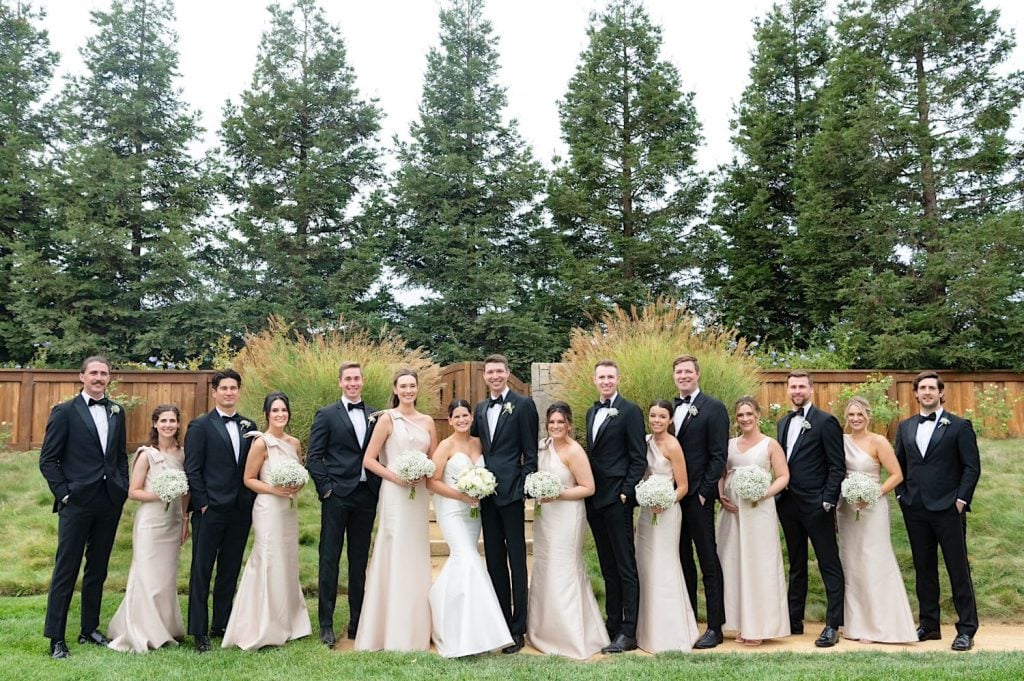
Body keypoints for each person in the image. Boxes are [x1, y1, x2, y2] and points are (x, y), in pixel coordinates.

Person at [39, 355, 129, 659]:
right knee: (66, 569)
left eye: (104, 373)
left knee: (98, 569)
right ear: (82, 377)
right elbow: (48, 460)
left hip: (109, 501)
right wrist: (64, 494)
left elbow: (119, 457)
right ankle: (56, 638)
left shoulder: (118, 411)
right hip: (76, 503)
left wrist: (122, 487)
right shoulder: (65, 412)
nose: (99, 377)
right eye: (93, 373)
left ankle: (89, 628)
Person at [895, 371, 981, 651]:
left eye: (933, 388)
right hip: (915, 508)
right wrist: (901, 496)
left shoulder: (958, 426)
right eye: (923, 388)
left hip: (948, 509)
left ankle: (966, 629)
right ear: (916, 394)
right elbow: (900, 465)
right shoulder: (905, 427)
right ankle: (929, 625)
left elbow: (971, 467)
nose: (928, 392)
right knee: (924, 569)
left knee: (958, 569)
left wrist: (961, 501)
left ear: (941, 393)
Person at [355, 368, 437, 651]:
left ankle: (417, 626)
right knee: (394, 552)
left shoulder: (427, 422)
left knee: (415, 554)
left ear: (417, 389)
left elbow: (434, 459)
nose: (408, 390)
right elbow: (369, 459)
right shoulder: (386, 419)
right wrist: (397, 477)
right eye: (403, 386)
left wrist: (426, 474)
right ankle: (388, 628)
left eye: (412, 385)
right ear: (395, 388)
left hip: (419, 496)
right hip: (394, 494)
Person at [222, 392, 311, 650]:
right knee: (268, 558)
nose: (280, 414)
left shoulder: (294, 443)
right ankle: (262, 623)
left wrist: (296, 486)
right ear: (267, 414)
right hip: (268, 507)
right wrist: (275, 490)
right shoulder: (261, 442)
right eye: (275, 411)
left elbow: (300, 474)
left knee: (287, 560)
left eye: (284, 410)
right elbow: (249, 479)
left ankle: (290, 621)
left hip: (289, 509)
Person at [427, 399, 513, 657]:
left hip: (474, 512)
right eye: (457, 416)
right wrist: (461, 495)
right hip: (453, 509)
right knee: (467, 558)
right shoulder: (446, 445)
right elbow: (431, 482)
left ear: (471, 418)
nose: (462, 420)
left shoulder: (479, 443)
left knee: (462, 564)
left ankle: (443, 608)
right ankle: (471, 633)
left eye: (466, 415)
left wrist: (480, 488)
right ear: (450, 420)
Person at [527, 402, 609, 659]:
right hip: (546, 516)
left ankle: (572, 636)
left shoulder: (574, 451)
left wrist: (557, 493)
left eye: (560, 422)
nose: (555, 427)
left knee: (565, 568)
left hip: (567, 515)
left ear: (569, 425)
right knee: (546, 565)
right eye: (551, 422)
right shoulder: (543, 446)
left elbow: (588, 488)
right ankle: (544, 630)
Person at [306, 362, 380, 646]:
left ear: (362, 381)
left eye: (357, 378)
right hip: (337, 496)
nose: (352, 383)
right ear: (340, 382)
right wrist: (326, 489)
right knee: (330, 559)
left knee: (359, 560)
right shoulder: (326, 415)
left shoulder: (376, 415)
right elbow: (314, 456)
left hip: (366, 495)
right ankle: (326, 625)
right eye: (347, 379)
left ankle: (356, 621)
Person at [470, 354, 539, 654]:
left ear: (508, 373)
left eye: (500, 371)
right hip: (485, 494)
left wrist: (522, 487)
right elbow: (476, 446)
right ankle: (500, 622)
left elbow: (531, 453)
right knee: (495, 560)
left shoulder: (524, 405)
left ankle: (518, 627)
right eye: (490, 372)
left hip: (511, 494)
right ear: (485, 376)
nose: (495, 376)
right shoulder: (481, 408)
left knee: (516, 560)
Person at [184, 368, 256, 653]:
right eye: (223, 388)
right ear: (214, 392)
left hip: (240, 509)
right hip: (209, 509)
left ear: (239, 391)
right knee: (202, 569)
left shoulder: (249, 426)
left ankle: (222, 623)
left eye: (233, 388)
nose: (229, 392)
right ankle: (199, 631)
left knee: (229, 569)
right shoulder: (200, 426)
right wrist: (202, 503)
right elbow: (192, 468)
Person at [108, 405, 189, 653]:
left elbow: (187, 490)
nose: (168, 425)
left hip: (174, 521)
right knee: (146, 575)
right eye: (163, 420)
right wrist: (160, 494)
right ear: (155, 424)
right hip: (150, 523)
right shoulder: (145, 454)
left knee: (166, 577)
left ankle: (165, 627)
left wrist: (186, 520)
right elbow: (133, 492)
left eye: (172, 421)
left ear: (178, 424)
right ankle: (140, 629)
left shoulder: (183, 454)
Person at [775, 370, 846, 647]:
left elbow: (836, 465)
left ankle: (832, 624)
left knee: (829, 563)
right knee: (796, 564)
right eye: (793, 387)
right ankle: (794, 619)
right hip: (789, 504)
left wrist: (827, 500)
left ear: (811, 389)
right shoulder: (782, 422)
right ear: (788, 389)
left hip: (817, 505)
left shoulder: (826, 421)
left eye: (802, 387)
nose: (797, 391)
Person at [838, 396, 916, 644]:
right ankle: (856, 624)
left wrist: (874, 493)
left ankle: (879, 626)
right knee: (852, 564)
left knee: (874, 562)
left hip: (873, 509)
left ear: (868, 416)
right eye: (851, 415)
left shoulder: (878, 441)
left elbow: (897, 475)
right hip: (847, 509)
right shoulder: (841, 442)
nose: (855, 419)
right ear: (846, 418)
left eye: (860, 414)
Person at [717, 396, 790, 646]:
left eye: (749, 414)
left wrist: (764, 493)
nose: (745, 419)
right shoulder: (728, 445)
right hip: (733, 511)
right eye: (740, 415)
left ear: (758, 415)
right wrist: (721, 494)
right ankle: (738, 622)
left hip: (759, 511)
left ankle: (760, 626)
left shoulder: (770, 445)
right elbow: (721, 473)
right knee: (733, 561)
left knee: (759, 564)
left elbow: (783, 476)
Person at [585, 360, 646, 653]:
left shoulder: (630, 411)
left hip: (617, 499)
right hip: (595, 500)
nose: (606, 381)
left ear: (619, 379)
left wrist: (626, 492)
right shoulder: (590, 411)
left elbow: (638, 457)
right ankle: (611, 624)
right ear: (595, 380)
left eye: (611, 377)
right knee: (608, 566)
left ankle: (629, 631)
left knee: (625, 566)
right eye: (601, 377)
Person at [670, 355, 729, 648]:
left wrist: (705, 491)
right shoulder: (670, 408)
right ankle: (690, 619)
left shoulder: (714, 408)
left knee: (707, 559)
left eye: (688, 371)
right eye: (679, 372)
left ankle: (715, 626)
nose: (683, 376)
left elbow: (718, 455)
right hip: (673, 498)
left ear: (698, 374)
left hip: (699, 498)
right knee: (681, 559)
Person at [635, 400, 699, 653]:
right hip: (646, 511)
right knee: (645, 564)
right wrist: (646, 498)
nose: (657, 420)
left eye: (662, 416)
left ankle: (672, 632)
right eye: (653, 416)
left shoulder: (673, 445)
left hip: (667, 511)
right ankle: (646, 630)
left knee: (664, 565)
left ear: (670, 420)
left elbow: (683, 485)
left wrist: (665, 501)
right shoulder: (644, 441)